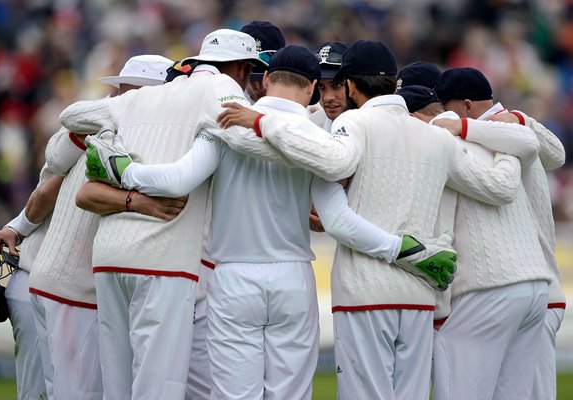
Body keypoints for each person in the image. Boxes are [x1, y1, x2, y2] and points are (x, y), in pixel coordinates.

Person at [81, 43, 460, 399]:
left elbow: (178, 179)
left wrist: (126, 172)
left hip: (232, 277)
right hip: (293, 276)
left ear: (265, 80)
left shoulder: (226, 124)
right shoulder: (315, 137)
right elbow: (338, 221)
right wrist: (402, 250)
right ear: (313, 87)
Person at [59, 29, 272, 400]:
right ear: (240, 69)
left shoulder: (144, 97)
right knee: (159, 387)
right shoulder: (223, 91)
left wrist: (115, 146)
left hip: (109, 257)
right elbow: (238, 148)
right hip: (164, 258)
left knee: (117, 387)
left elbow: (71, 114)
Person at [28, 54, 176, 400]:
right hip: (72, 287)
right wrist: (146, 204)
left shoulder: (93, 125)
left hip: (60, 282)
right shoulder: (116, 130)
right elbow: (83, 192)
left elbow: (50, 173)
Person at [431, 67, 563, 400]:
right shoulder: (493, 131)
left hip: (517, 283)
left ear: (466, 105)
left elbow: (551, 152)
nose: (440, 116)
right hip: (536, 284)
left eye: (446, 108)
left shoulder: (507, 128)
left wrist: (510, 119)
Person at [0, 169, 62, 400]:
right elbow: (46, 194)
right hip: (42, 282)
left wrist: (16, 228)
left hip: (39, 280)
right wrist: (17, 229)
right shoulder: (78, 141)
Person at [240, 20, 286, 104]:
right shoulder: (220, 103)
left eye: (268, 75)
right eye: (251, 77)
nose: (259, 86)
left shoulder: (306, 107)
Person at [309, 41, 349, 131]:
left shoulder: (375, 126)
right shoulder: (311, 126)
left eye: (337, 85)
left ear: (353, 85)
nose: (328, 97)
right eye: (320, 86)